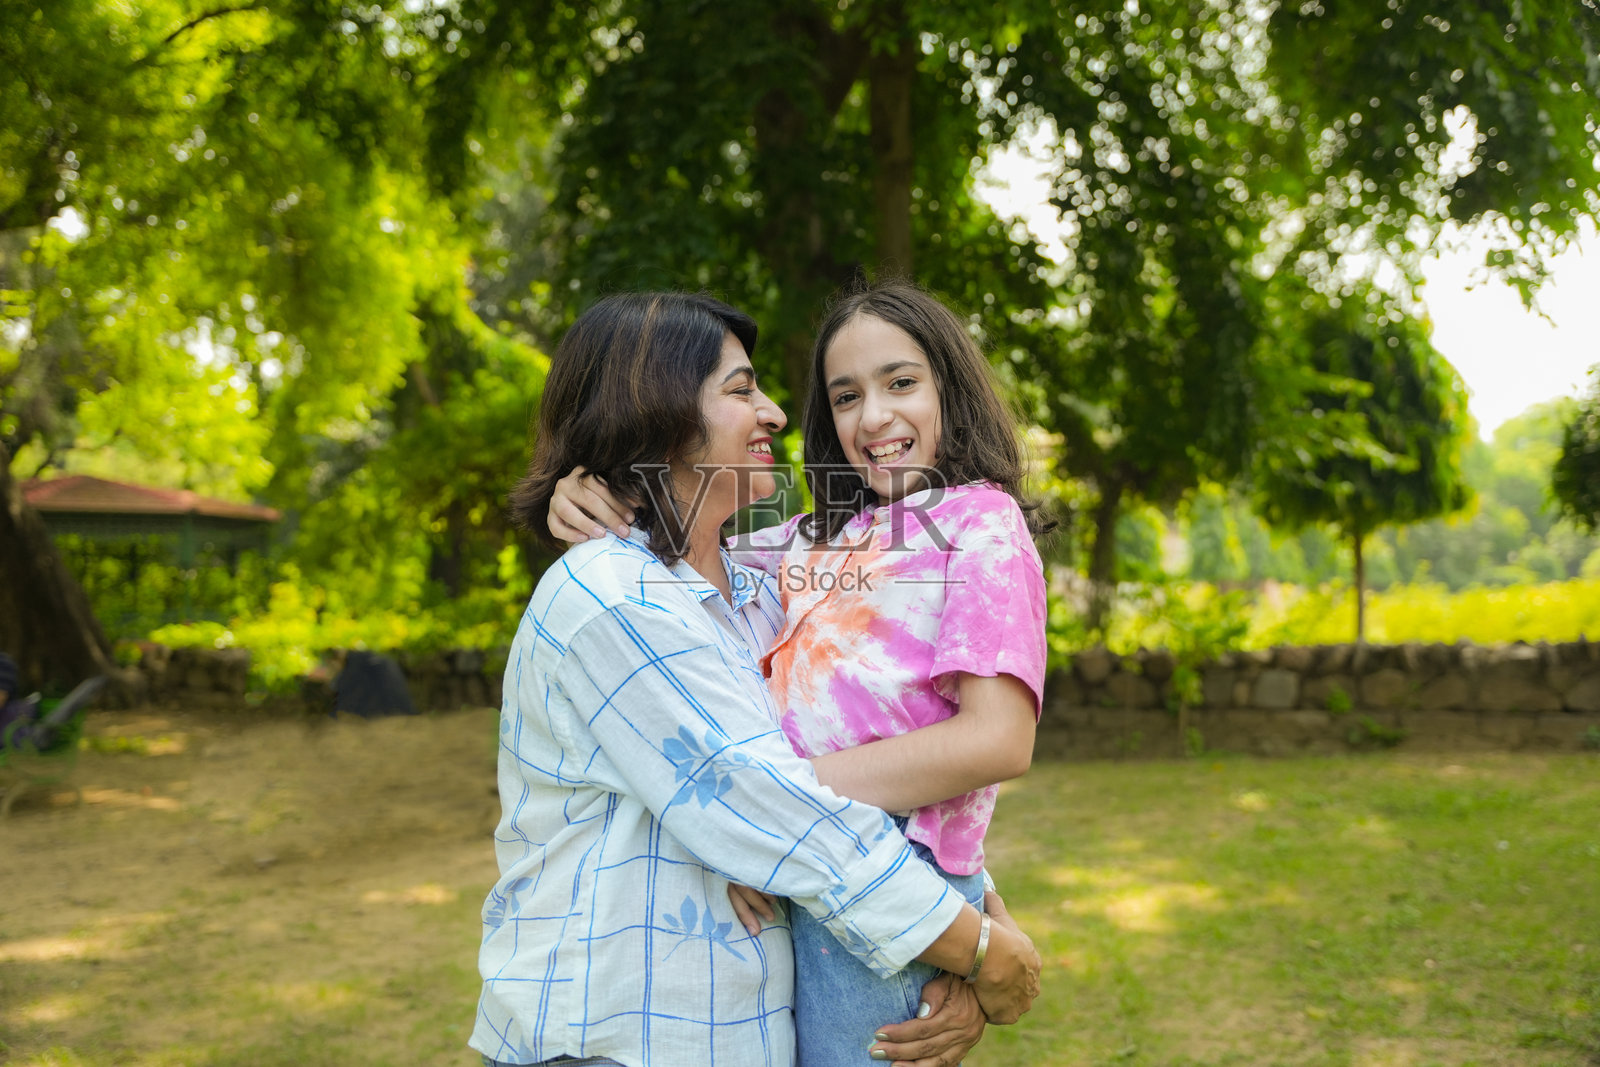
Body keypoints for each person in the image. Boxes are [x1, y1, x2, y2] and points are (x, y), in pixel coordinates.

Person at [472, 291, 1040, 1067]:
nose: (776, 412)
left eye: (900, 383)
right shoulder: (614, 594)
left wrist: (970, 914)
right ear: (658, 411)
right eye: (742, 390)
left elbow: (865, 744)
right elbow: (772, 807)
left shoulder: (762, 591)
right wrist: (982, 948)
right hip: (619, 1042)